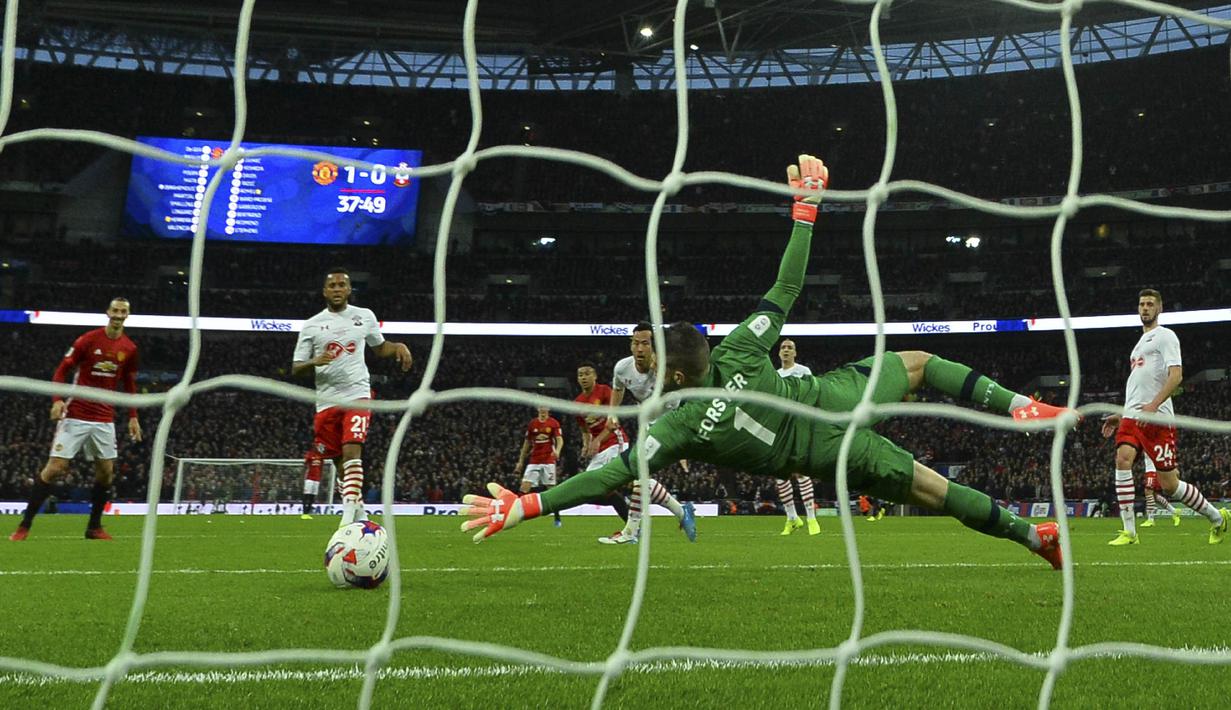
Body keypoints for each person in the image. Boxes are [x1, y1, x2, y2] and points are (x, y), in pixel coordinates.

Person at [460, 154, 1067, 572]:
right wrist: (805, 213)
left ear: (672, 376)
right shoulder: (740, 348)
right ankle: (1021, 406)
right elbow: (785, 287)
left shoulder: (675, 428)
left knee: (937, 492)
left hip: (833, 453)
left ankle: (1034, 538)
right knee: (920, 363)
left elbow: (607, 476)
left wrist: (528, 505)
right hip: (831, 397)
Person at [1100, 289, 1226, 546]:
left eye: (1149, 304)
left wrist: (1154, 405)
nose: (1144, 308)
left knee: (1169, 485)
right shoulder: (1137, 347)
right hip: (1133, 416)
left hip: (1158, 418)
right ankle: (1129, 532)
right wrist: (1121, 414)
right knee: (1122, 460)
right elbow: (1139, 386)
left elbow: (1176, 375)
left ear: (1159, 308)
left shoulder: (1166, 336)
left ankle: (1217, 517)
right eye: (1141, 304)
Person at [11, 297, 142, 541]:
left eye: (123, 311)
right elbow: (62, 370)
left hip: (105, 418)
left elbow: (130, 383)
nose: (118, 314)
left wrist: (133, 416)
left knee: (106, 473)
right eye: (115, 310)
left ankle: (94, 528)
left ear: (128, 315)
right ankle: (24, 525)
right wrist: (57, 400)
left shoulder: (129, 348)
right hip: (76, 414)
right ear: (107, 312)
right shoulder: (88, 340)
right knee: (56, 468)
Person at [292, 268, 412, 528]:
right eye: (332, 285)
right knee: (339, 462)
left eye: (341, 285)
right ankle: (360, 512)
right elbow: (296, 367)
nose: (336, 289)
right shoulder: (311, 325)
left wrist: (398, 347)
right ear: (325, 291)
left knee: (351, 450)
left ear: (348, 290)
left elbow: (380, 349)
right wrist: (315, 360)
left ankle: (346, 517)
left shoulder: (364, 316)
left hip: (358, 394)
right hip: (326, 401)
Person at [574, 362, 693, 544]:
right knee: (595, 488)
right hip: (609, 445)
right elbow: (584, 429)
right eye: (580, 374)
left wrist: (598, 440)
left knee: (633, 480)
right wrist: (587, 443)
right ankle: (678, 512)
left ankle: (632, 530)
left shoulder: (605, 391)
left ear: (595, 376)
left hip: (616, 442)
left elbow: (613, 419)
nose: (583, 377)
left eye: (587, 373)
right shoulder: (578, 402)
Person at [602, 323, 696, 545]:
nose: (639, 348)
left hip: (673, 420)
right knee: (640, 477)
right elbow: (618, 388)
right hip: (648, 423)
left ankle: (632, 531)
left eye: (645, 343)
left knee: (640, 473)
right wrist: (612, 415)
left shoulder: (667, 367)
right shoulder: (622, 368)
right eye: (635, 343)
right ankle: (682, 512)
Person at [775, 338, 820, 536]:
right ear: (779, 353)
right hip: (780, 427)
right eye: (783, 347)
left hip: (799, 425)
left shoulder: (804, 372)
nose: (786, 350)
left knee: (800, 471)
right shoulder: (775, 376)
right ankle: (792, 518)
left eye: (789, 348)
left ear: (795, 353)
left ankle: (811, 518)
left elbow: (813, 396)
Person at [514, 406, 564, 527]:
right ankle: (516, 514)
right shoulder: (533, 424)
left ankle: (557, 518)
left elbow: (559, 439)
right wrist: (521, 461)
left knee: (552, 490)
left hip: (548, 460)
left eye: (544, 408)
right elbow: (526, 444)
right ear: (537, 409)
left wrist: (557, 450)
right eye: (540, 408)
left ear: (548, 409)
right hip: (534, 460)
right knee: (524, 486)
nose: (542, 410)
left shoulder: (553, 423)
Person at [1140, 457, 1180, 528]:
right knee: (1154, 496)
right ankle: (1174, 511)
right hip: (1152, 470)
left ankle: (1150, 519)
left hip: (1152, 471)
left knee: (1148, 492)